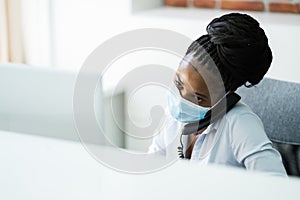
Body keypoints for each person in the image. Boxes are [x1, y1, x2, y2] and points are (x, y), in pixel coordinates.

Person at [148, 13, 287, 176]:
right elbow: (152, 167)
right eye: (179, 83)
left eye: (198, 98)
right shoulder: (173, 115)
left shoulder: (240, 125)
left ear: (227, 94)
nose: (181, 99)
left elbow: (277, 186)